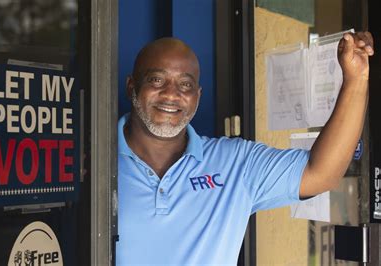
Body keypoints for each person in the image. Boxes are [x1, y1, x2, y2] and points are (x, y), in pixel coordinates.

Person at [117, 33, 374, 265]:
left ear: (198, 95)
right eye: (157, 79)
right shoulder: (94, 162)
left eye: (185, 84)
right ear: (132, 87)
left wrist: (356, 80)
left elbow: (321, 173)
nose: (171, 94)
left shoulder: (236, 163)